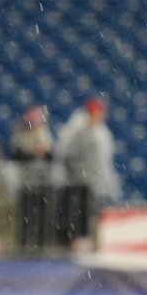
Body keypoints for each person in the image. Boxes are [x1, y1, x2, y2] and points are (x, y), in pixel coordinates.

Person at [53, 98, 121, 247]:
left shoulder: (100, 132)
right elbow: (68, 155)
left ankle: (85, 238)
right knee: (78, 211)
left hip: (91, 180)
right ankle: (77, 239)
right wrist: (78, 173)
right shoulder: (80, 131)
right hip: (80, 181)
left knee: (88, 210)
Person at [10, 106, 56, 249]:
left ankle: (41, 243)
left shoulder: (45, 134)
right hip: (26, 183)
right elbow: (17, 156)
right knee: (26, 215)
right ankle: (24, 244)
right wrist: (33, 153)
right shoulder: (20, 136)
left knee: (42, 215)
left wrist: (45, 152)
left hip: (43, 181)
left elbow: (52, 156)